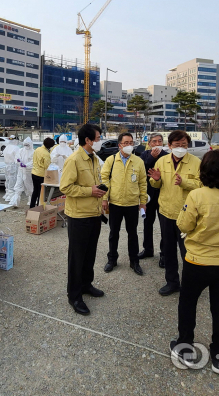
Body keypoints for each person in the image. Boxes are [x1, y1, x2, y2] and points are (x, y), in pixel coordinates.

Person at [171, 150, 219, 374]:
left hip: (199, 261)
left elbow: (184, 226)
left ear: (203, 171)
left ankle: (185, 346)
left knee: (188, 303)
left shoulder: (197, 195)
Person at [147, 130, 202, 296]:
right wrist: (155, 180)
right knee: (169, 250)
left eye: (184, 145)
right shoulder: (162, 161)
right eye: (177, 145)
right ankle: (172, 282)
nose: (180, 148)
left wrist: (184, 182)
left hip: (187, 214)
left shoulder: (196, 162)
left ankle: (191, 284)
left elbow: (202, 185)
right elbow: (155, 185)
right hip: (166, 212)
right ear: (169, 146)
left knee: (188, 251)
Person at [60, 124, 106, 315]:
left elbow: (95, 184)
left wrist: (102, 198)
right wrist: (90, 191)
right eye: (97, 137)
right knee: (77, 257)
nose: (99, 141)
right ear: (87, 140)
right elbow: (65, 187)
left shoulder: (94, 158)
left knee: (90, 254)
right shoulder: (74, 159)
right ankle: (74, 295)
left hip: (94, 214)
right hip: (79, 217)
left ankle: (87, 284)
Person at [101, 133, 147, 276]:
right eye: (126, 142)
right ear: (119, 145)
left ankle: (134, 261)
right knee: (113, 233)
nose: (129, 145)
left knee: (132, 234)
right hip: (115, 203)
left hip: (132, 203)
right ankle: (112, 259)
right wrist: (104, 198)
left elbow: (142, 183)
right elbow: (105, 180)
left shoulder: (138, 161)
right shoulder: (111, 160)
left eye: (131, 142)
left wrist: (143, 202)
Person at [137, 133, 169, 267]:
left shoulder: (167, 156)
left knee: (164, 225)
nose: (157, 144)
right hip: (149, 194)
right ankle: (148, 249)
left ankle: (164, 253)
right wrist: (152, 157)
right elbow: (142, 170)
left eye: (160, 141)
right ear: (149, 143)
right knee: (147, 223)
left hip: (164, 193)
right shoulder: (144, 155)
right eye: (154, 141)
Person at [30, 137, 55, 208]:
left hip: (34, 173)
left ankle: (32, 207)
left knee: (35, 191)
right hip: (41, 175)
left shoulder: (37, 149)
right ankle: (39, 208)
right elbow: (47, 166)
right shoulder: (46, 154)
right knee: (40, 194)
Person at [9, 137, 35, 207]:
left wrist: (26, 165)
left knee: (29, 187)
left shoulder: (33, 152)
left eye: (28, 145)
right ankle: (15, 202)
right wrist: (18, 162)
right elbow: (17, 157)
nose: (26, 147)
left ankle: (31, 201)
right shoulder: (20, 150)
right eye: (25, 145)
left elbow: (33, 162)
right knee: (18, 185)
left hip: (28, 172)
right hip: (21, 171)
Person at [2, 136, 20, 202]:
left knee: (8, 179)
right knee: (13, 179)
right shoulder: (16, 148)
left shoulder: (7, 147)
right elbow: (18, 158)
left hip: (7, 165)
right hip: (13, 165)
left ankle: (7, 193)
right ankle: (11, 195)